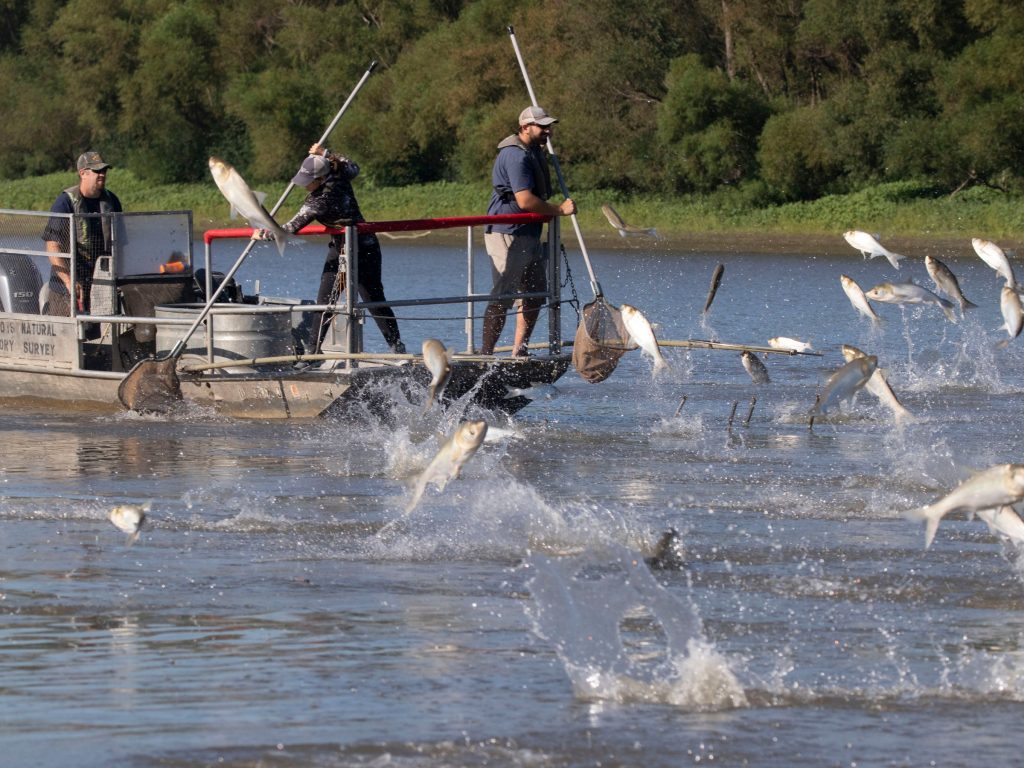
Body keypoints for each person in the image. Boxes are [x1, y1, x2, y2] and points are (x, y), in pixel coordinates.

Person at [263, 144, 404, 354]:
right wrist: (325, 154)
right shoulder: (340, 174)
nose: (304, 185)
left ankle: (397, 347)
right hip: (345, 246)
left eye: (308, 181)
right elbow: (353, 166)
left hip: (360, 249)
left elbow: (291, 227)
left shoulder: (319, 200)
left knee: (372, 300)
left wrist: (266, 234)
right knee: (326, 301)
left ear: (320, 179)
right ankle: (314, 351)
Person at [481, 106, 576, 356]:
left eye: (549, 126)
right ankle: (485, 355)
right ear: (525, 127)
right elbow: (524, 201)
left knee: (535, 293)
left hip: (529, 234)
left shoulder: (534, 152)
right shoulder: (516, 156)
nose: (548, 131)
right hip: (506, 232)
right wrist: (559, 210)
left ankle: (519, 351)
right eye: (542, 126)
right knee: (504, 295)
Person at [41, 151, 123, 316]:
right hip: (68, 284)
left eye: (104, 170)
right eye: (97, 171)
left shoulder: (112, 200)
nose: (102, 174)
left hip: (102, 282)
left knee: (101, 333)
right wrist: (69, 281)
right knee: (67, 336)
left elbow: (122, 243)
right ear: (83, 173)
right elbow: (52, 246)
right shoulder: (64, 203)